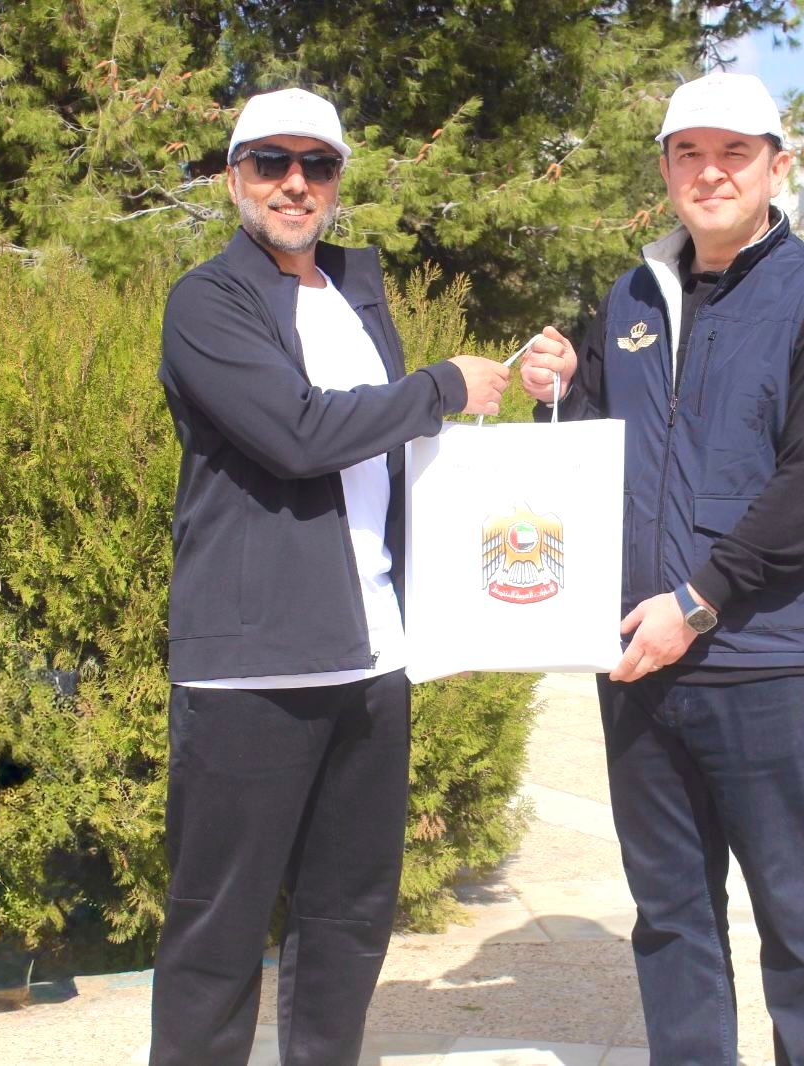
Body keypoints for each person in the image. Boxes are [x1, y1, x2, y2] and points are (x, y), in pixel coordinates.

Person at [520, 72, 804, 1065]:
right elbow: (592, 450)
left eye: (733, 153)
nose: (709, 172)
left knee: (798, 915)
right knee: (670, 914)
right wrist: (554, 391)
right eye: (688, 153)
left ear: (777, 166)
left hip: (767, 664)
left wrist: (697, 601)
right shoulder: (630, 296)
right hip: (642, 660)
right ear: (665, 169)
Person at [150, 87, 508, 1066]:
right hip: (252, 670)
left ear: (339, 181)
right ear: (233, 178)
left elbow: (390, 463)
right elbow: (298, 433)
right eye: (270, 161)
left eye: (317, 164)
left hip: (372, 658)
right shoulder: (206, 302)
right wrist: (442, 386)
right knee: (217, 932)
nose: (294, 182)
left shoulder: (355, 295)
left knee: (348, 921)